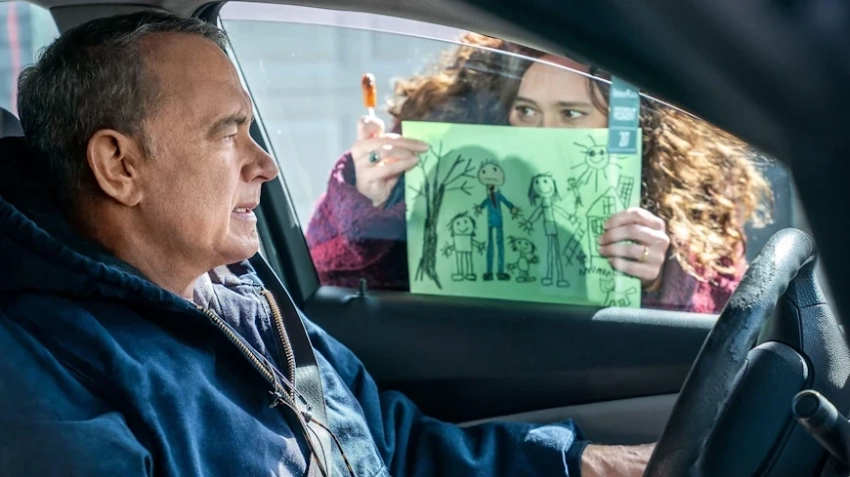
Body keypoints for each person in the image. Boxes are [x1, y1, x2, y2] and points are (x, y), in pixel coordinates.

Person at [0, 11, 652, 477]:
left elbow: (388, 446)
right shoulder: (40, 372)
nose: (265, 164)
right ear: (120, 166)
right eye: (228, 133)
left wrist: (580, 462)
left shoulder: (241, 289)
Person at [306, 35, 772, 313]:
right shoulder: (442, 172)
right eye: (526, 111)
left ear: (629, 128)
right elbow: (334, 293)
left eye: (570, 114)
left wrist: (660, 281)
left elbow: (725, 330)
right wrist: (367, 204)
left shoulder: (692, 202)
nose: (543, 133)